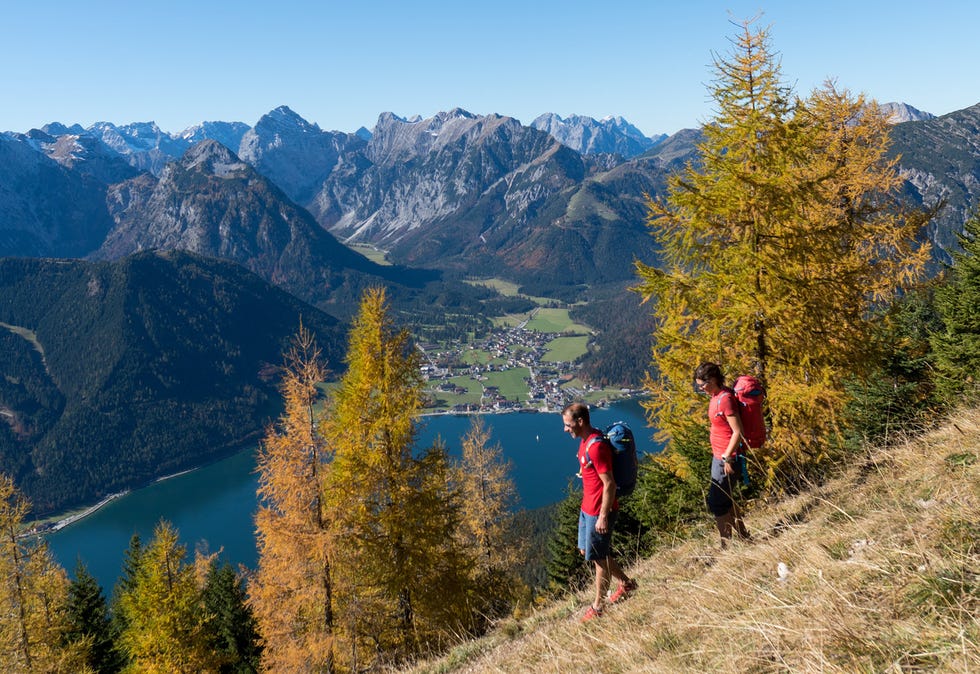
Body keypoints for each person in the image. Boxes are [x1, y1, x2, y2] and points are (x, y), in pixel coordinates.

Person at [561, 402, 637, 622]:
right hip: (587, 508)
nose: (566, 429)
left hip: (598, 510)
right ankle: (626, 583)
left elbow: (610, 484)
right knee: (588, 552)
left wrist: (603, 515)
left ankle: (597, 607)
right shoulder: (585, 441)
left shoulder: (596, 445)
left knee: (599, 559)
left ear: (580, 421)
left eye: (568, 425)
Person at [694, 362, 751, 548]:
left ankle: (726, 546)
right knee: (726, 499)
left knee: (717, 503)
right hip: (718, 456)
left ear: (713, 380)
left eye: (702, 384)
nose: (701, 388)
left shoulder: (725, 399)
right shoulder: (715, 395)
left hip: (726, 458)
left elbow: (738, 431)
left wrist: (728, 456)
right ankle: (743, 536)